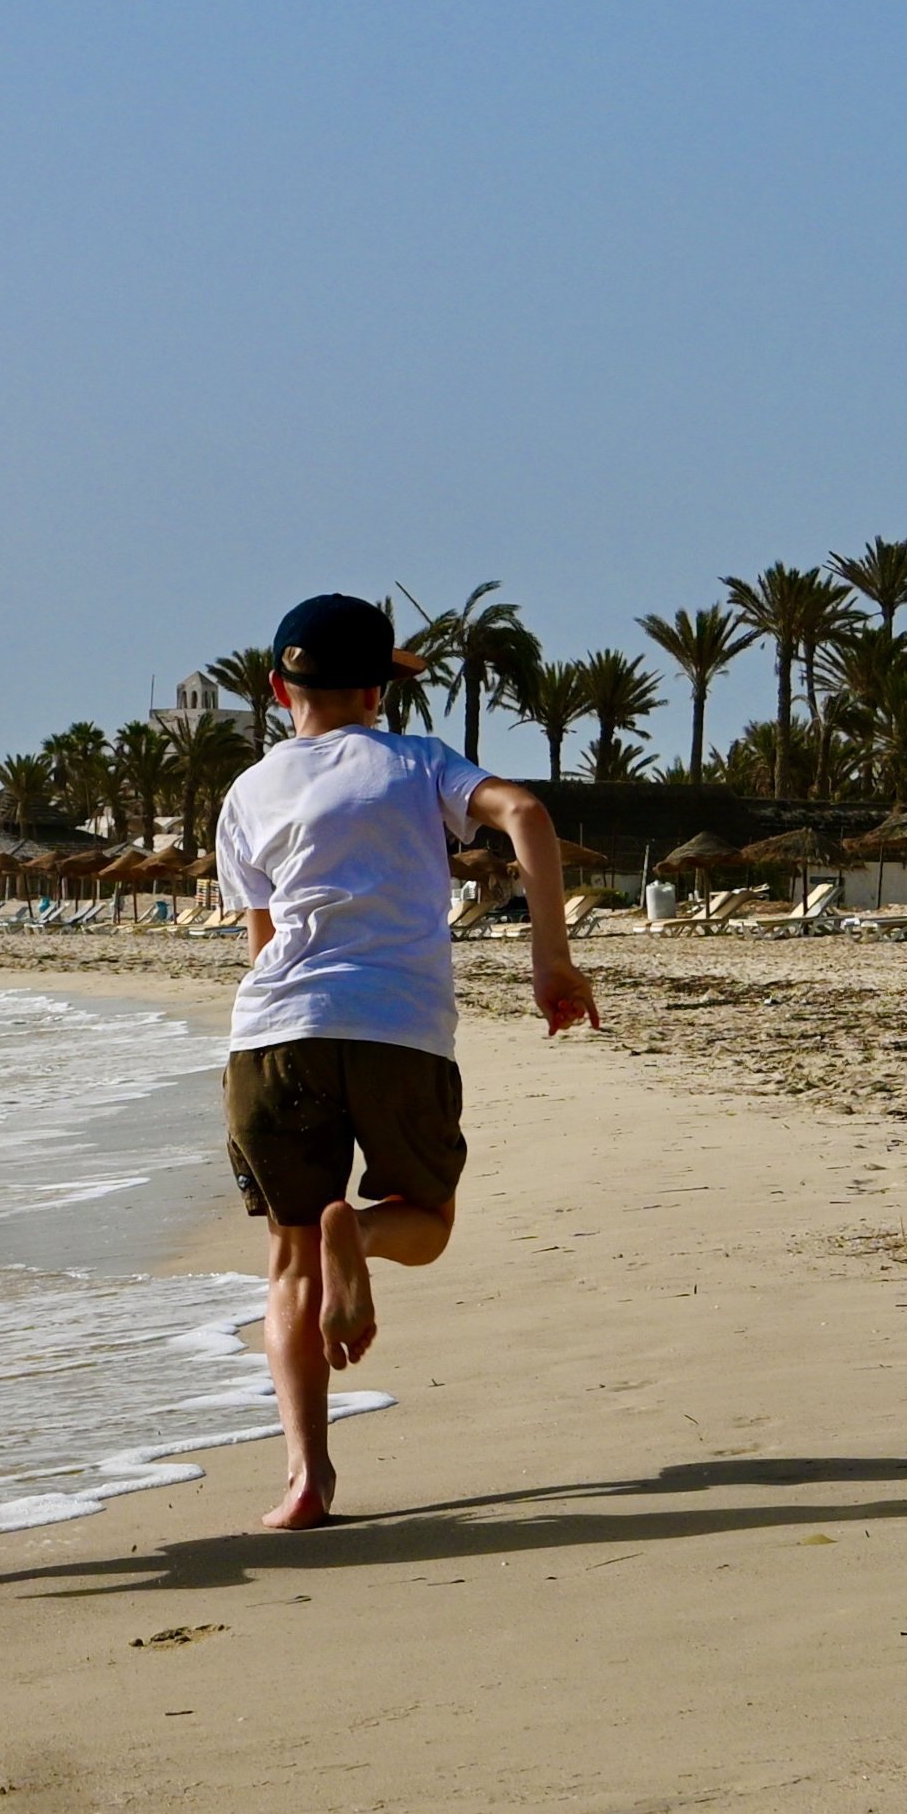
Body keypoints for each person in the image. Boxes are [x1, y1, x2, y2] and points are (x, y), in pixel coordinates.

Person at [214, 593, 602, 1532]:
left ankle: (307, 1480)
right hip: (398, 1027)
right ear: (381, 690)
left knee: (287, 1257)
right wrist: (550, 956)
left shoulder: (248, 790)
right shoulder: (419, 761)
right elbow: (530, 814)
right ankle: (367, 1234)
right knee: (425, 1216)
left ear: (277, 690)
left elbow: (261, 941)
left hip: (273, 1033)